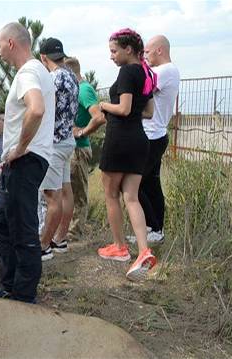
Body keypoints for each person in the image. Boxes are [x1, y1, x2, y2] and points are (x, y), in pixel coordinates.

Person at [0, 22, 54, 303]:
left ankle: (24, 297)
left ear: (11, 43)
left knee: (22, 228)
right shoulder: (38, 70)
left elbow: (36, 109)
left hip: (26, 161)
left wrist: (20, 147)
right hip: (24, 161)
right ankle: (11, 283)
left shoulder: (28, 72)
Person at [97, 28, 157, 281]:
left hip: (120, 140)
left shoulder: (126, 71)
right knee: (131, 197)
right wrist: (128, 111)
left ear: (128, 49)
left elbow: (123, 108)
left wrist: (103, 105)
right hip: (139, 140)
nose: (111, 56)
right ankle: (144, 251)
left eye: (114, 51)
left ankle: (120, 247)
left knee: (111, 194)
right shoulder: (147, 72)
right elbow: (149, 112)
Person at [126, 35, 180, 244]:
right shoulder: (167, 71)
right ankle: (155, 229)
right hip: (155, 134)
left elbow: (142, 89)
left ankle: (151, 227)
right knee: (150, 185)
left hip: (151, 135)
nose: (144, 56)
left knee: (133, 185)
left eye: (147, 52)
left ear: (160, 50)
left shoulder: (165, 71)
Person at [37, 38, 79, 261]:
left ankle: (43, 245)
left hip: (53, 143)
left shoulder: (52, 78)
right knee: (65, 191)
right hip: (67, 140)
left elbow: (42, 110)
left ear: (43, 57)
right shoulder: (72, 75)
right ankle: (60, 239)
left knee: (51, 196)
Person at [63, 57, 107, 242]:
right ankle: (66, 231)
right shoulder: (75, 90)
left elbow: (98, 117)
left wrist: (81, 132)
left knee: (77, 193)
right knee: (67, 192)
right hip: (70, 149)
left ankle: (74, 233)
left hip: (79, 149)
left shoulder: (84, 90)